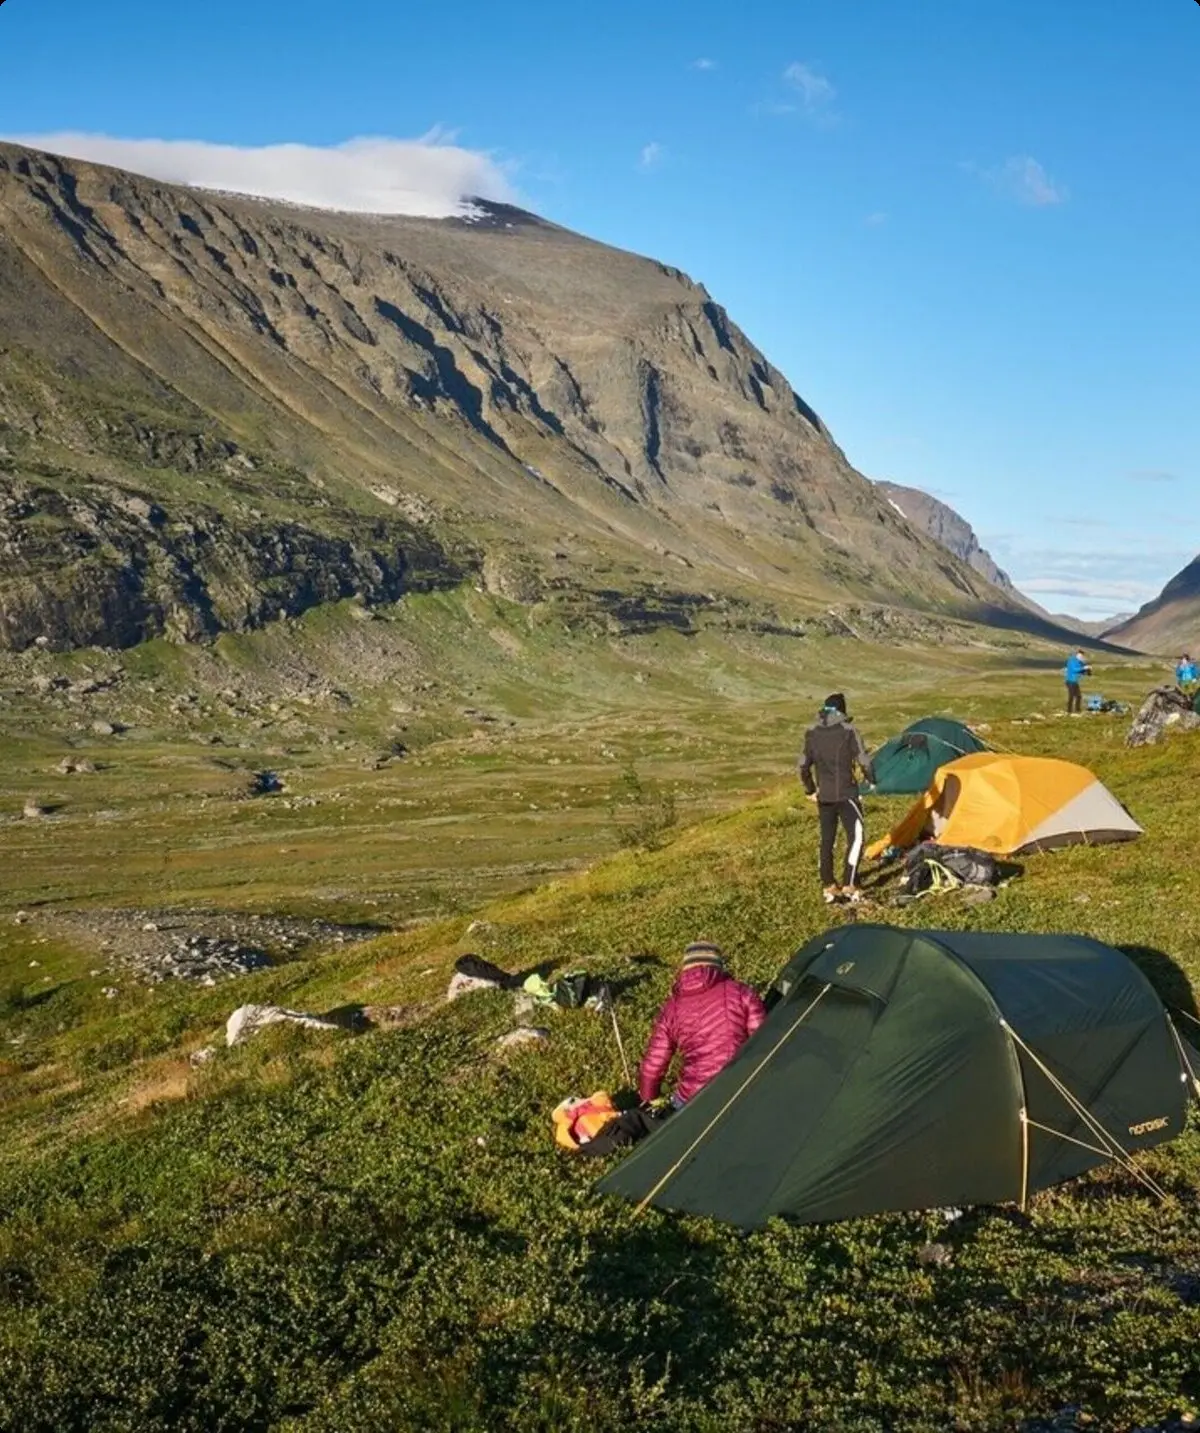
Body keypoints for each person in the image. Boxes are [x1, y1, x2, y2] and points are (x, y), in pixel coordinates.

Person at [638, 942, 766, 1109]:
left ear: (685, 968)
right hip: (740, 1086)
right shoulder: (741, 992)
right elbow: (763, 1040)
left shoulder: (672, 1008)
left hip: (693, 1097)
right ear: (718, 966)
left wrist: (649, 1095)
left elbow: (654, 1062)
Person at [798, 692, 875, 904]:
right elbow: (864, 760)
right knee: (856, 836)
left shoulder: (812, 732)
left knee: (827, 840)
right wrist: (871, 779)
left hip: (824, 795)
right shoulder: (849, 731)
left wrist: (810, 790)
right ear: (842, 710)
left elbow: (803, 766)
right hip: (847, 794)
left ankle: (829, 884)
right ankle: (849, 883)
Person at [1064, 649, 1091, 715]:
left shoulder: (1080, 662)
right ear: (1077, 655)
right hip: (1070, 681)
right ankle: (1069, 710)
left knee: (1079, 696)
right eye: (1080, 656)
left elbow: (1081, 671)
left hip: (1075, 682)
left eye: (1082, 656)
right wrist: (1084, 668)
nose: (1081, 657)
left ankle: (1077, 710)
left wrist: (1087, 670)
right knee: (1071, 696)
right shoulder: (1071, 660)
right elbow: (1074, 669)